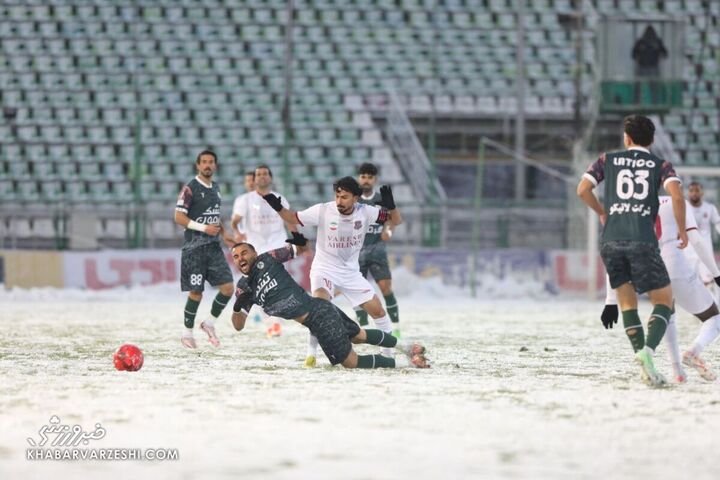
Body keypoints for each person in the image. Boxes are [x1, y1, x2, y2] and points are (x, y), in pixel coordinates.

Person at [577, 114, 686, 387]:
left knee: (627, 302)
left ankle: (642, 360)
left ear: (627, 138)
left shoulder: (607, 160)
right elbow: (676, 195)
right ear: (651, 139)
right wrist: (683, 229)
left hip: (611, 239)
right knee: (664, 300)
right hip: (642, 239)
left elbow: (582, 189)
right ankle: (647, 351)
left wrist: (603, 212)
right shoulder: (661, 165)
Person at [262, 176, 402, 367]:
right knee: (321, 309)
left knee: (378, 312)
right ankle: (311, 355)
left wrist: (391, 206)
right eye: (337, 196)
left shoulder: (367, 212)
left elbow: (396, 220)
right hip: (324, 269)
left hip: (351, 273)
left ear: (356, 198)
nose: (339, 201)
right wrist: (278, 208)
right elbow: (292, 217)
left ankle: (388, 355)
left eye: (344, 197)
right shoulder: (322, 210)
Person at [230, 236, 429, 369]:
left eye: (244, 253)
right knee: (358, 336)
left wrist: (300, 242)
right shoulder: (244, 289)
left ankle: (406, 363)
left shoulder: (268, 259)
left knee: (350, 362)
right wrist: (238, 306)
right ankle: (408, 346)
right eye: (236, 257)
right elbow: (238, 326)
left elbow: (301, 249)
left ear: (254, 253)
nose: (240, 258)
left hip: (317, 316)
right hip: (320, 308)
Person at [601, 196, 720, 382]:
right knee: (713, 317)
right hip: (675, 264)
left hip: (648, 266)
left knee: (667, 314)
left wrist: (610, 299)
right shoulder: (676, 201)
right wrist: (716, 273)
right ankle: (693, 352)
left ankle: (677, 371)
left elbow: (615, 251)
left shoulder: (628, 206)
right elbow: (695, 239)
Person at [174, 150, 235, 349]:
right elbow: (179, 217)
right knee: (196, 292)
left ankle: (209, 323)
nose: (208, 165)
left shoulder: (216, 188)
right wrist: (204, 228)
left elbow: (214, 216)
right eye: (204, 162)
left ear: (215, 166)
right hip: (194, 249)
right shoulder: (190, 188)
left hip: (213, 247)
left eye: (211, 162)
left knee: (228, 288)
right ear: (198, 165)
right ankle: (187, 334)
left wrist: (224, 234)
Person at [231, 165, 297, 337]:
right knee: (260, 288)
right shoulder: (245, 200)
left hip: (277, 246)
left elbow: (289, 218)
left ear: (270, 177)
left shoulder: (280, 197)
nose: (261, 177)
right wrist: (237, 232)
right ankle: (271, 321)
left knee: (277, 285)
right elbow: (235, 221)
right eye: (258, 174)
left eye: (265, 174)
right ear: (254, 179)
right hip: (255, 249)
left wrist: (296, 236)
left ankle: (275, 321)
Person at [356, 162, 401, 337]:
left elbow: (394, 220)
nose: (366, 180)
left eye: (370, 177)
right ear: (359, 178)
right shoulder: (353, 198)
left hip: (377, 250)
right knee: (357, 290)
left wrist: (388, 230)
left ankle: (396, 328)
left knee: (386, 288)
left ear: (375, 180)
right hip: (355, 252)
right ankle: (364, 326)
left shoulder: (382, 199)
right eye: (363, 177)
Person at [686, 181, 720, 303]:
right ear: (688, 193)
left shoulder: (709, 208)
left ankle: (714, 307)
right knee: (687, 281)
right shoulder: (684, 208)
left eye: (697, 191)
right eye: (692, 191)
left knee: (709, 280)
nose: (694, 193)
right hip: (688, 251)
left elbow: (717, 223)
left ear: (702, 193)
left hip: (706, 250)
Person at [230, 170, 255, 242]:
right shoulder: (240, 200)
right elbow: (234, 221)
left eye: (252, 180)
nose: (250, 183)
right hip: (247, 239)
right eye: (248, 181)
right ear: (245, 183)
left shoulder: (266, 199)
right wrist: (237, 234)